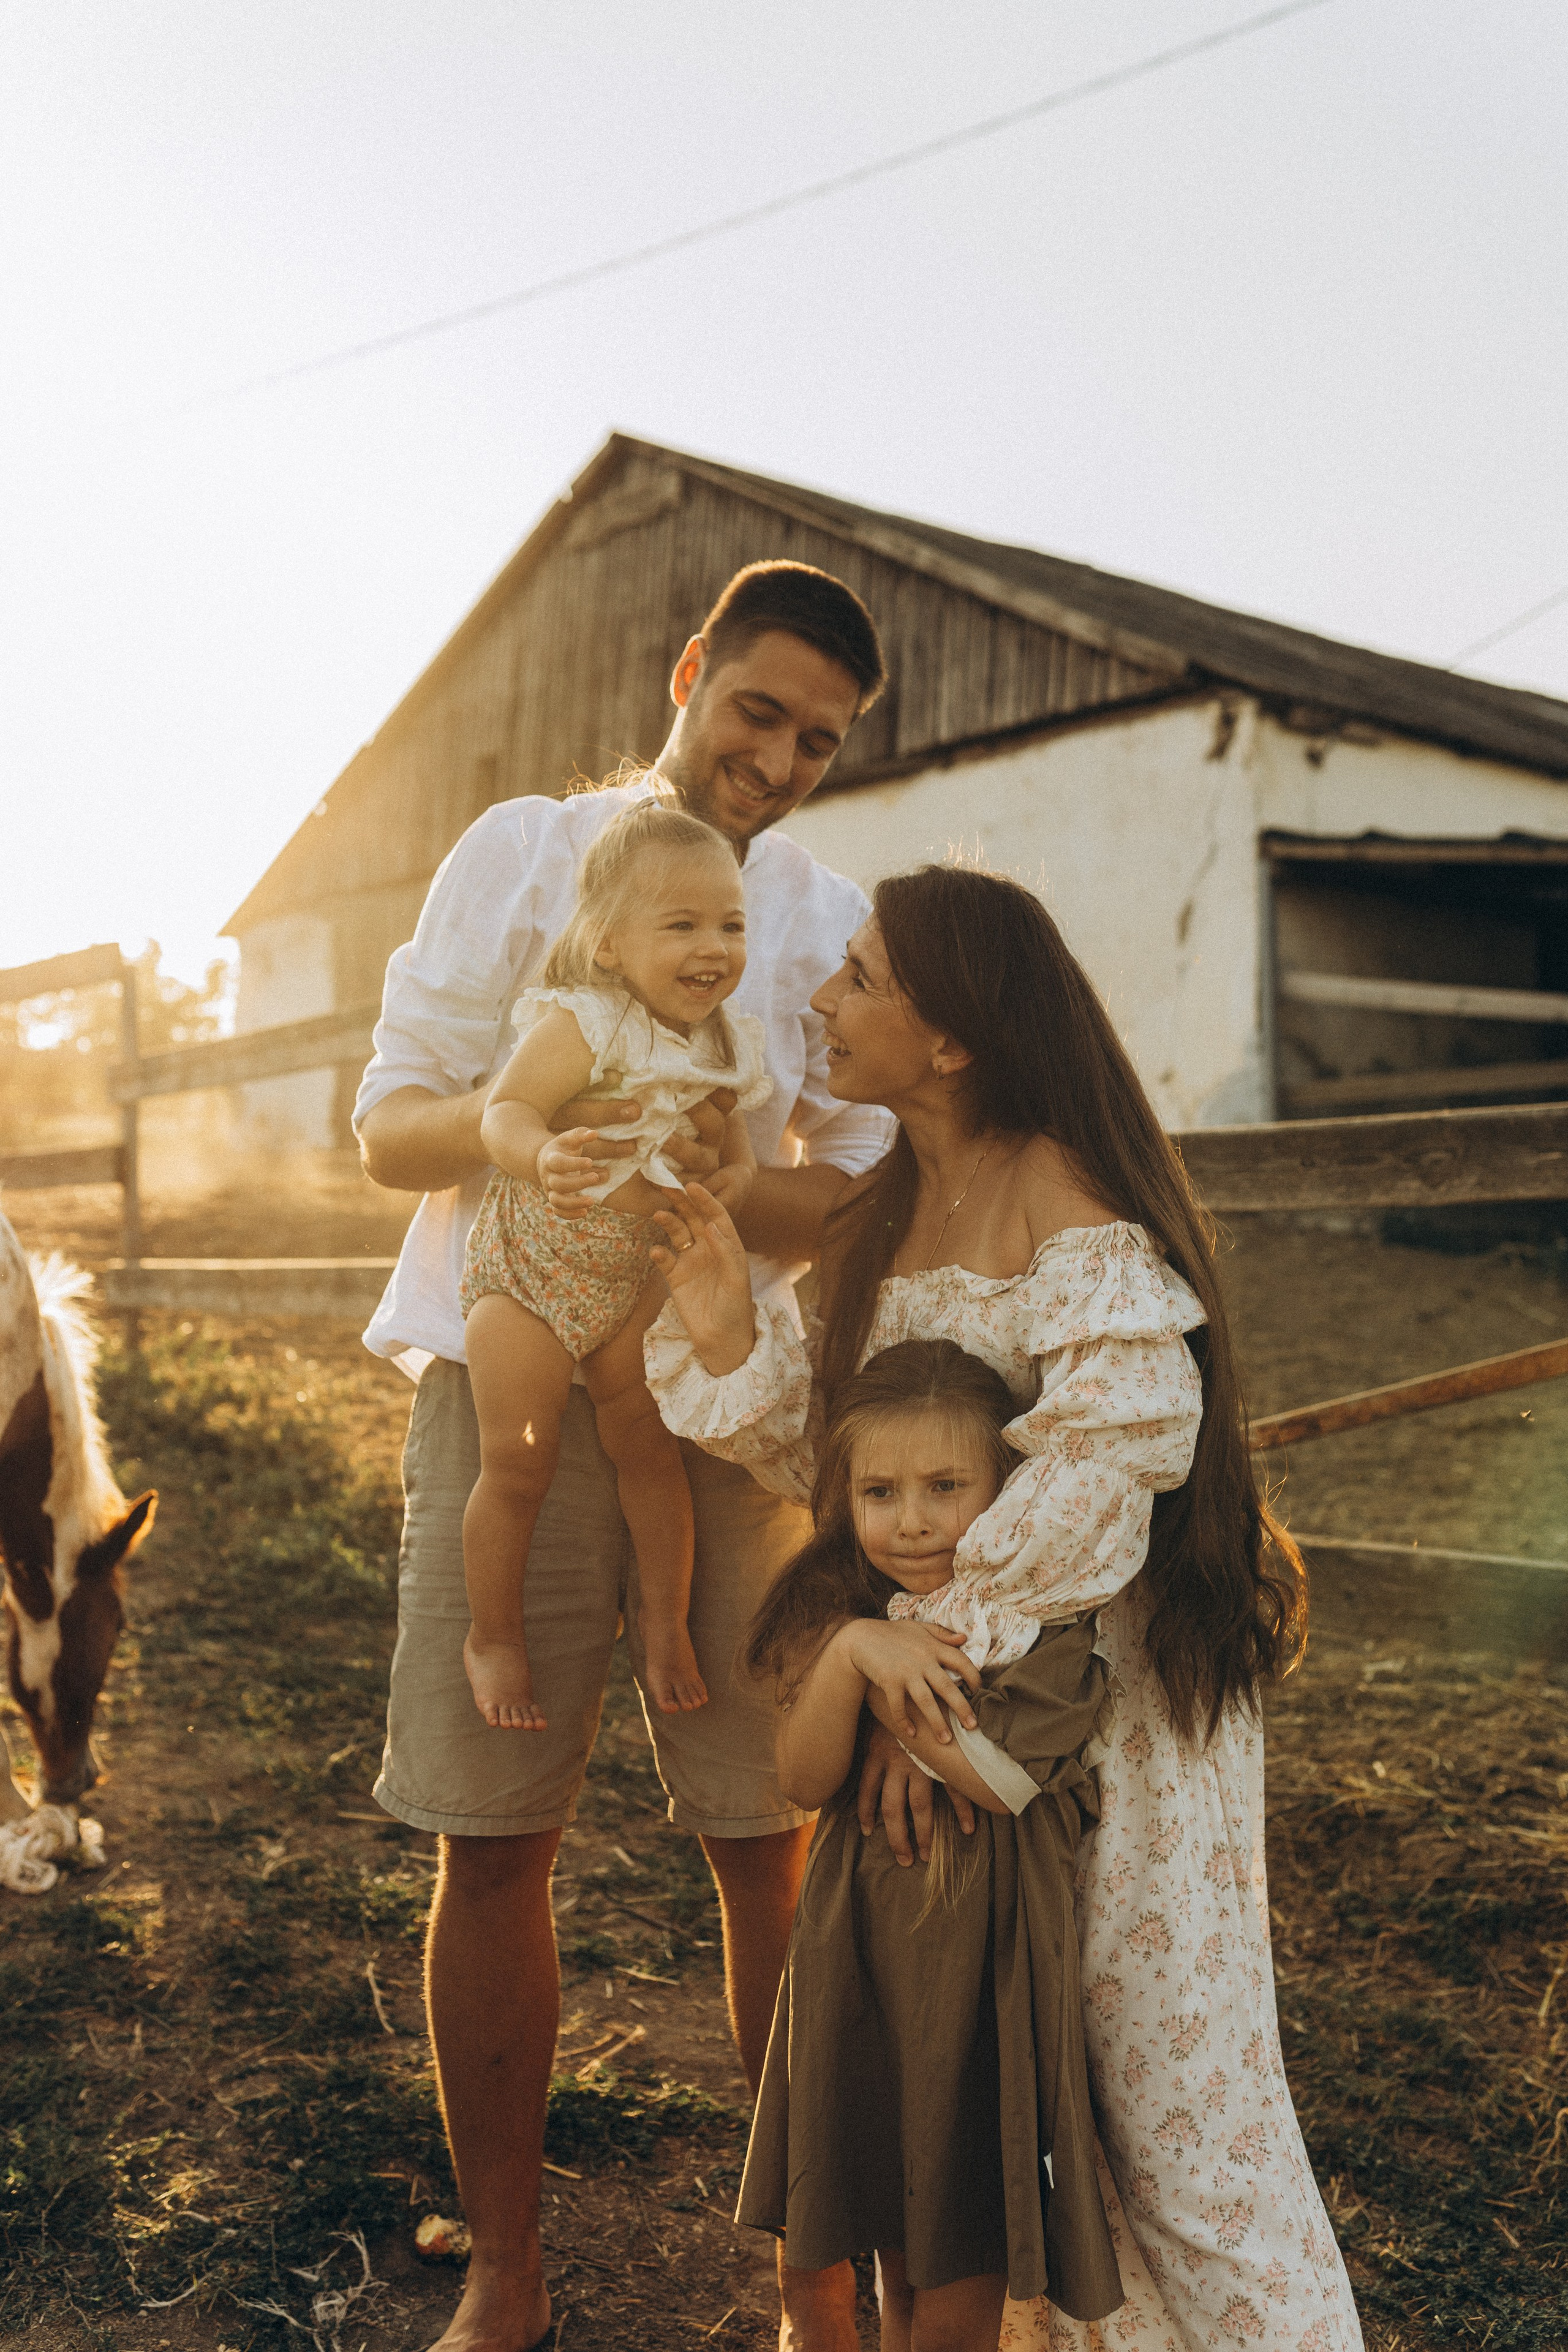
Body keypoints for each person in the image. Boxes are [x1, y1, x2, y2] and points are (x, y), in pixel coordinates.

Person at [645, 863, 1366, 2350]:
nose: (819, 998)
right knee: (1033, 2113)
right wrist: (727, 1333)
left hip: (1101, 1731)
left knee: (1177, 2118)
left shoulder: (1061, 1192)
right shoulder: (881, 1211)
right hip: (960, 1722)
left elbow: (1112, 1449)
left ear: (954, 1034)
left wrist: (932, 1679)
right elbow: (867, 1472)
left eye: (856, 978)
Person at [355, 559, 894, 2352]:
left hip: (729, 1413)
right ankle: (508, 2275)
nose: (781, 758)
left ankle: (814, 2284)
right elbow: (390, 1128)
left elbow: (853, 1181)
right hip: (508, 1372)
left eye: (819, 739)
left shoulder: (825, 919)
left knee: (770, 1832)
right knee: (493, 1832)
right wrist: (519, 1147)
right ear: (689, 673)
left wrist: (739, 1185)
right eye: (759, 711)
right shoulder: (519, 852)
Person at [725, 1335, 1125, 2351]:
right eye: (880, 1492)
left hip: (979, 1979)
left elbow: (995, 1780)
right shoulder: (850, 1616)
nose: (910, 1522)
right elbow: (804, 1780)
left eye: (947, 1486)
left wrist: (900, 1704)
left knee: (956, 2262)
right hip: (863, 1962)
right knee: (897, 2267)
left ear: (1012, 1490)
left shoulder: (1043, 1630)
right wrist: (858, 1651)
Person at [460, 796, 771, 1730]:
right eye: (681, 925)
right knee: (520, 1463)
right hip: (527, 1276)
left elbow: (744, 1157)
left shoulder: (722, 1042)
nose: (712, 947)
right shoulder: (584, 1022)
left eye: (731, 924)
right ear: (607, 944)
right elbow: (503, 1114)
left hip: (632, 1279)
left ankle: (664, 1621)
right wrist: (541, 1154)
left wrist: (727, 1191)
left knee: (650, 1453)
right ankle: (494, 1635)